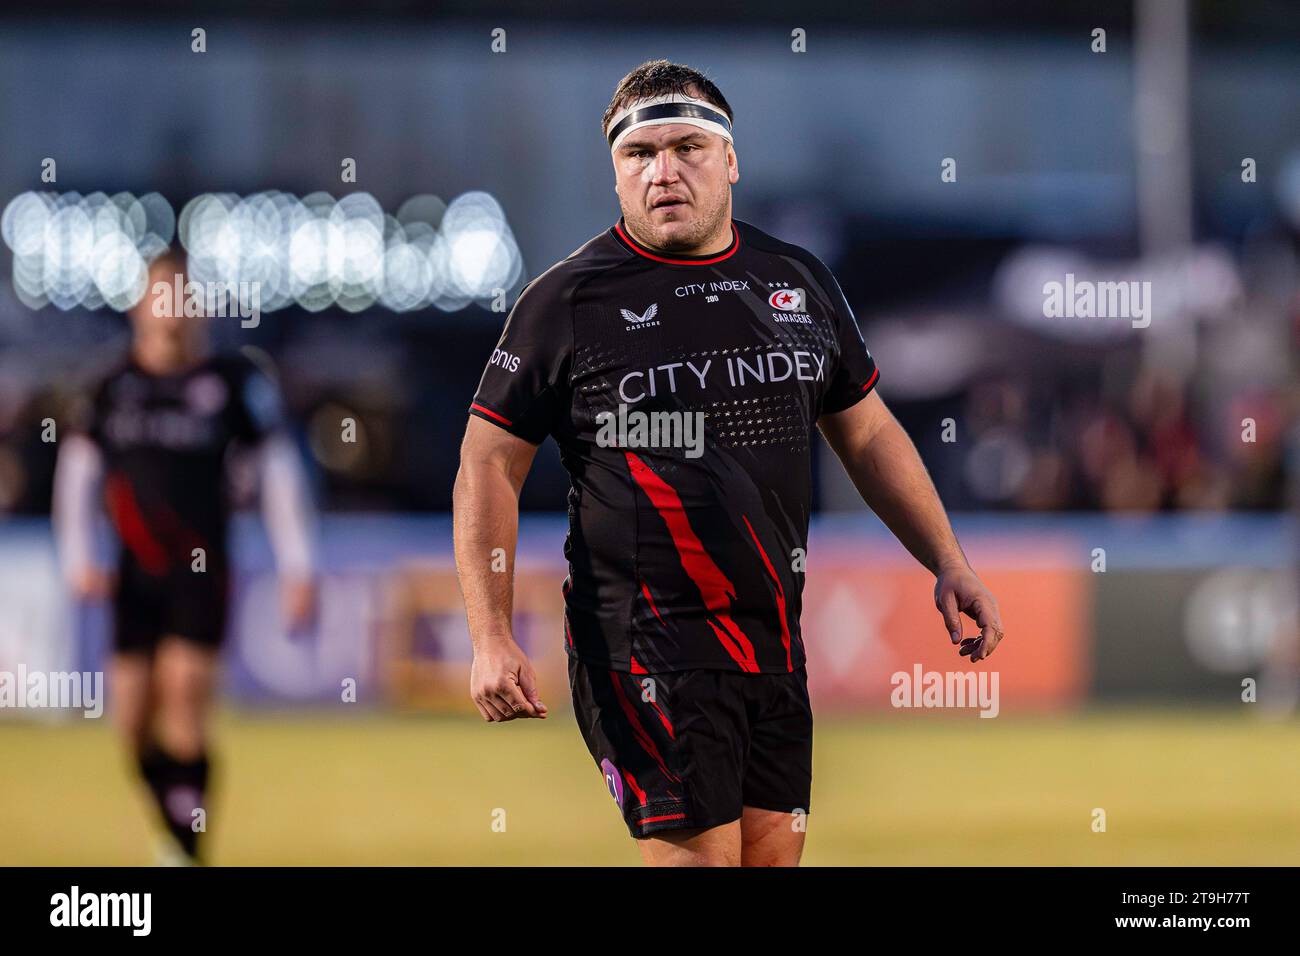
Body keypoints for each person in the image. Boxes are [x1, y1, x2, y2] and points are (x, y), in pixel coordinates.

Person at [453, 59, 1004, 867]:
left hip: (771, 641)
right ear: (615, 176)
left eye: (687, 147)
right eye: (639, 156)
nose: (664, 172)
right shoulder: (566, 301)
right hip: (643, 644)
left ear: (731, 160)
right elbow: (486, 466)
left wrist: (948, 561)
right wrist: (490, 633)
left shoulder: (797, 283)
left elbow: (870, 433)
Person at [53, 250, 317, 864]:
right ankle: (174, 825)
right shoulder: (109, 389)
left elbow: (279, 476)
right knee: (131, 722)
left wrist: (297, 565)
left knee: (183, 701)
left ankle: (183, 850)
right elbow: (77, 478)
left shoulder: (232, 384)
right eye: (159, 296)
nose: (170, 310)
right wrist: (78, 556)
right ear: (138, 306)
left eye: (182, 297)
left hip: (203, 570)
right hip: (132, 576)